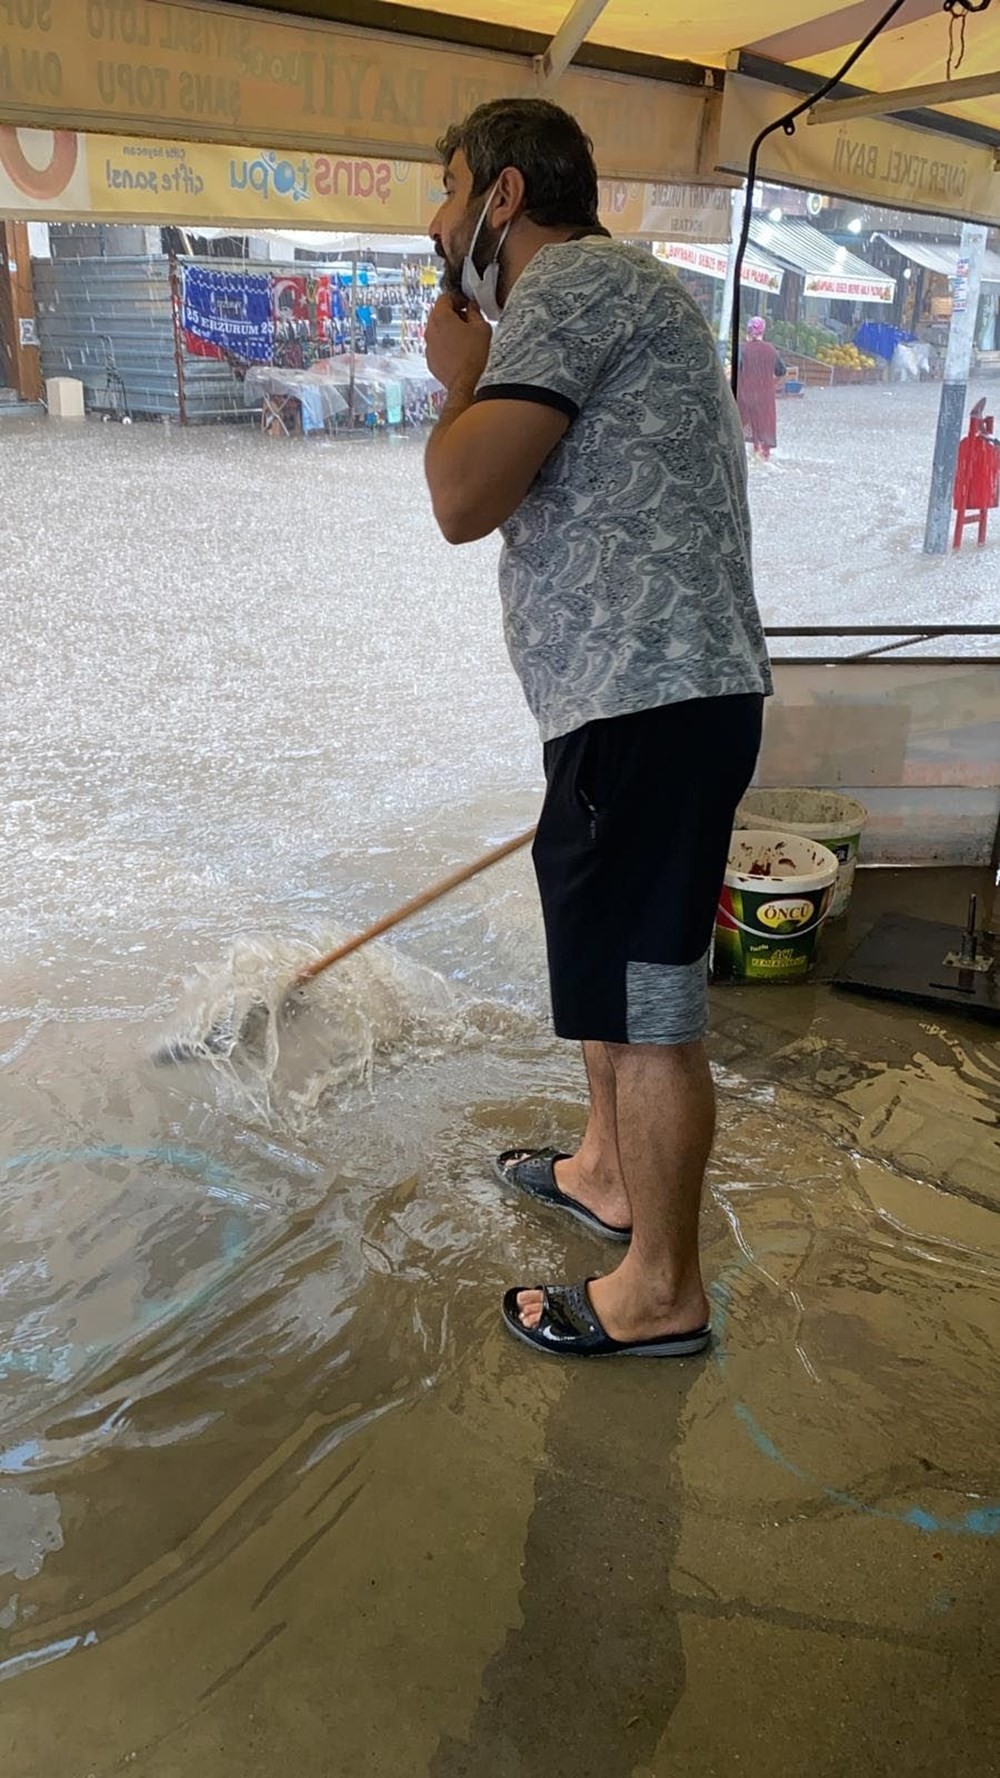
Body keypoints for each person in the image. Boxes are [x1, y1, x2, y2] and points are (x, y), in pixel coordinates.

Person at [423, 98, 772, 1360]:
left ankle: (662, 1286)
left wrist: (454, 378)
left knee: (648, 1001)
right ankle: (605, 1174)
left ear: (505, 198)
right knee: (612, 971)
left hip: (648, 701)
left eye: (452, 189)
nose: (438, 218)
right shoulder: (612, 292)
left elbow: (464, 496)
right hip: (634, 704)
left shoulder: (569, 284)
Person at [737, 315, 786, 461]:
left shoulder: (742, 349)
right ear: (763, 331)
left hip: (744, 395)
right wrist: (772, 385)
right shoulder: (771, 350)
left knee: (741, 428)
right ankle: (763, 457)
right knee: (763, 430)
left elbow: (736, 369)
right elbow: (781, 372)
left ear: (748, 330)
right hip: (765, 398)